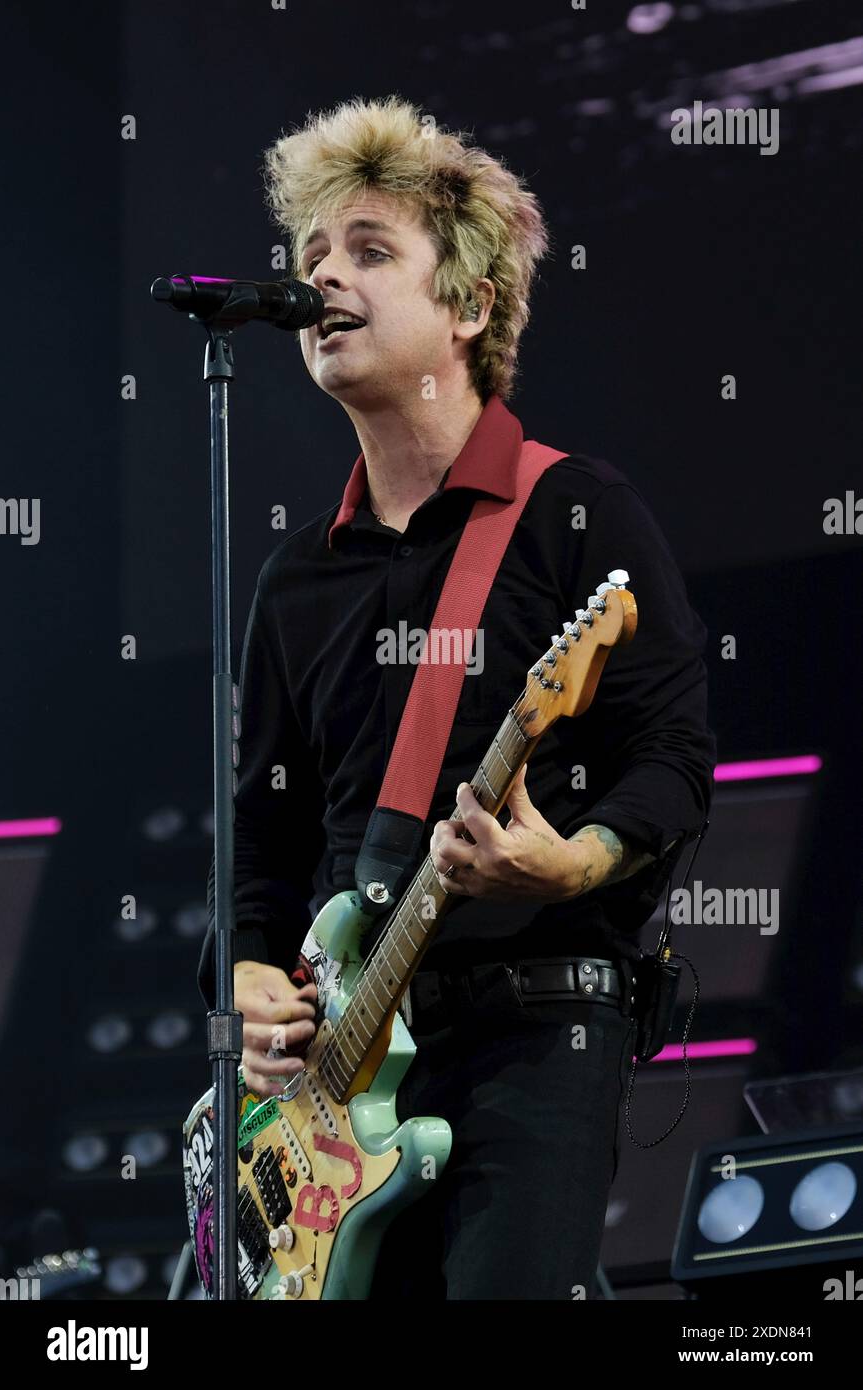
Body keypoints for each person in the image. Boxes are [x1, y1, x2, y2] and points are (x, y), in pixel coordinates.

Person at [197, 95, 716, 1300]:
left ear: (470, 307)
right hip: (331, 1096)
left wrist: (575, 862)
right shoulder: (296, 575)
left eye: (369, 252)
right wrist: (246, 973)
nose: (324, 277)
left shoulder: (573, 514)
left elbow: (674, 756)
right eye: (311, 256)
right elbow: (259, 846)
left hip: (528, 1037)